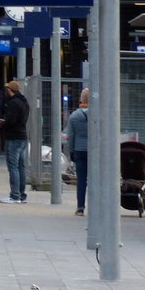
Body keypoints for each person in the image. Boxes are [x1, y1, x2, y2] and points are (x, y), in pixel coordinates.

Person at [0, 79, 30, 204]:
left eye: (7, 89)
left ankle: (14, 195)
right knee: (21, 167)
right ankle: (21, 194)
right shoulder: (24, 103)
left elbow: (11, 121)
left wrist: (1, 123)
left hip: (13, 138)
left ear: (10, 90)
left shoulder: (13, 103)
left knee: (13, 167)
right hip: (22, 137)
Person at [66, 87, 90, 216]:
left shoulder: (74, 115)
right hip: (94, 151)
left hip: (79, 149)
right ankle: (96, 206)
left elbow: (70, 135)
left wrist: (71, 152)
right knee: (95, 179)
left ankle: (80, 207)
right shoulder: (97, 114)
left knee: (81, 180)